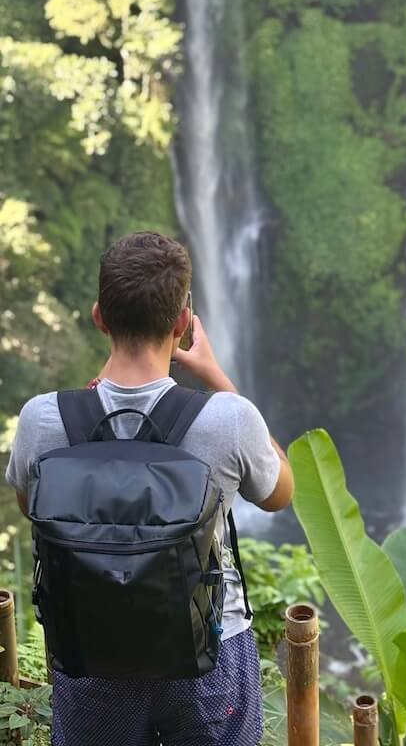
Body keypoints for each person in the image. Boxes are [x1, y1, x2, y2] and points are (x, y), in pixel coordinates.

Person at [5, 230, 294, 746]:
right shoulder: (229, 419)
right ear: (183, 323)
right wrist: (216, 377)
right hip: (209, 652)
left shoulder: (42, 419)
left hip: (89, 653)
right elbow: (280, 491)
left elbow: (34, 508)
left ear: (99, 316)